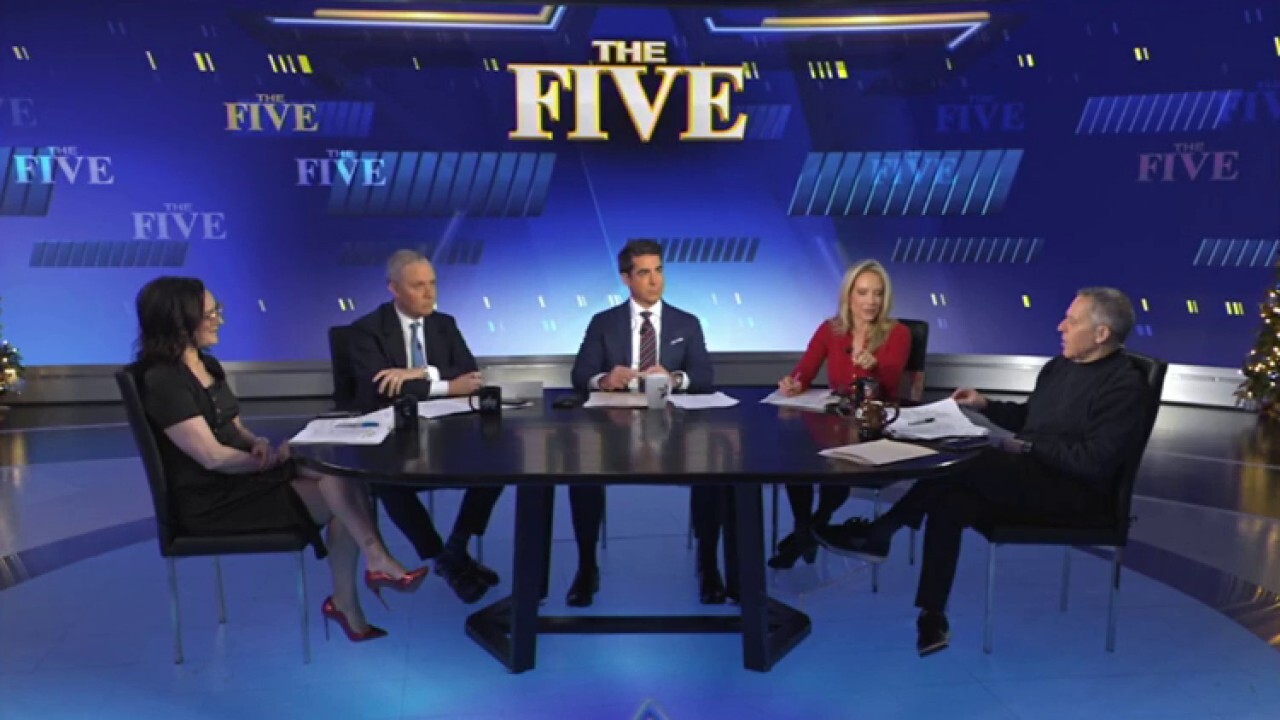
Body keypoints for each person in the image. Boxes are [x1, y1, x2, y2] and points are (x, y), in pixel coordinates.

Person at [814, 287, 1150, 657]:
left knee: (971, 459)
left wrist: (1028, 448)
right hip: (1033, 476)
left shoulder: (1125, 385)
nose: (1061, 326)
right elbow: (1030, 419)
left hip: (1075, 496)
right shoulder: (1060, 367)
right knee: (951, 501)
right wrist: (984, 405)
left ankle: (883, 530)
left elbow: (1093, 461)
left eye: (1072, 320)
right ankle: (932, 615)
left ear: (1101, 333)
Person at [131, 277, 427, 643]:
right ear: (178, 321)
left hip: (243, 477)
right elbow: (211, 457)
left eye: (217, 310)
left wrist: (257, 442)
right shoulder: (163, 380)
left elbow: (234, 428)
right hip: (215, 500)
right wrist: (267, 461)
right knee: (342, 491)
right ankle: (367, 573)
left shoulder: (207, 365)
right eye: (209, 315)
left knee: (340, 474)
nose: (219, 320)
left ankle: (357, 588)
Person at [567, 239, 726, 606]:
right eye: (644, 273)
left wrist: (675, 379)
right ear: (626, 278)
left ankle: (708, 565)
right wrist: (604, 379)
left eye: (659, 271)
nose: (655, 281)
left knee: (713, 471)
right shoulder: (603, 323)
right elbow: (580, 375)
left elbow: (705, 376)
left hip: (676, 431)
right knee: (582, 473)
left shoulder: (687, 323)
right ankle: (586, 566)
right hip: (615, 430)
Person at [348, 249, 502, 604]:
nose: (429, 292)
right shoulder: (366, 331)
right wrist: (445, 385)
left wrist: (418, 373)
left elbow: (470, 376)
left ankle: (456, 548)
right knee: (388, 482)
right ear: (394, 289)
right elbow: (382, 388)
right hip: (394, 437)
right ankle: (440, 557)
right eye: (418, 286)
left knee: (496, 468)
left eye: (432, 283)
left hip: (447, 435)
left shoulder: (444, 324)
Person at [768, 260, 911, 569]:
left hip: (874, 424)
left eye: (877, 293)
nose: (871, 301)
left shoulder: (898, 333)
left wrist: (874, 366)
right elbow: (805, 371)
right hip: (834, 420)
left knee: (839, 467)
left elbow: (890, 386)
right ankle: (806, 528)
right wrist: (794, 383)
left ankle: (808, 531)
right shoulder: (830, 330)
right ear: (849, 295)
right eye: (863, 292)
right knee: (798, 459)